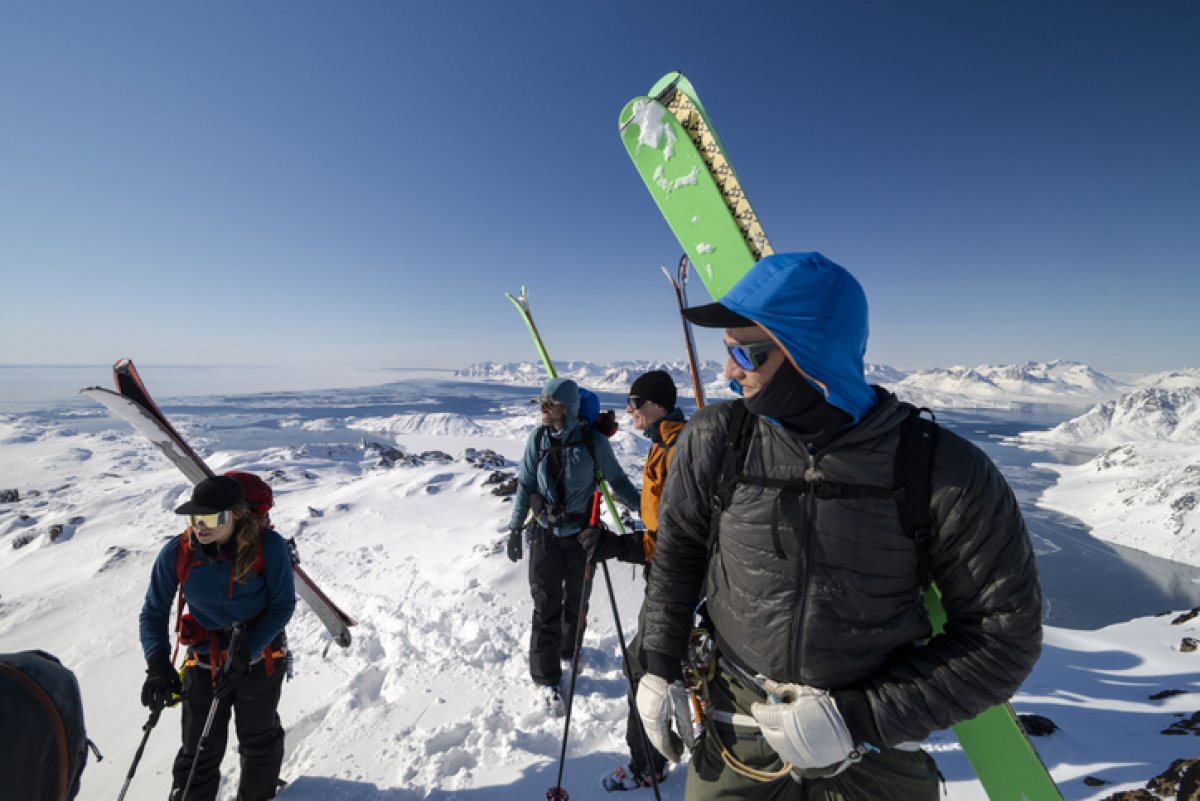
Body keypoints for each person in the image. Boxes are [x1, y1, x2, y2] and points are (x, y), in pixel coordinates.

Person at [633, 252, 1044, 800]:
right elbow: (680, 550)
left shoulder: (941, 471)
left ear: (811, 354)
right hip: (740, 726)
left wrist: (858, 719)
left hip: (871, 752)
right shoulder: (717, 440)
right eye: (726, 350)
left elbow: (1004, 638)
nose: (729, 371)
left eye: (746, 351)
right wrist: (658, 663)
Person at [139, 474, 296, 801]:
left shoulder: (268, 547)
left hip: (260, 656)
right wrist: (157, 665)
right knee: (198, 747)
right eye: (195, 517)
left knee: (258, 738)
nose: (200, 526)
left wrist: (248, 652)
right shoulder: (177, 553)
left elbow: (282, 604)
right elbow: (154, 611)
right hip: (204, 658)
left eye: (211, 517)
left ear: (237, 515)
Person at [507, 376, 641, 710]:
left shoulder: (594, 443)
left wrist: (650, 510)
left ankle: (569, 650)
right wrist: (514, 529)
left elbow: (618, 481)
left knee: (576, 601)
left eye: (548, 405)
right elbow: (524, 484)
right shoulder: (536, 441)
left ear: (566, 408)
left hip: (582, 533)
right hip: (544, 533)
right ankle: (547, 678)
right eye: (542, 404)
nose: (542, 410)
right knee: (545, 604)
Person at [581, 369, 686, 791]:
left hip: (676, 583)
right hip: (669, 579)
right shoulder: (665, 445)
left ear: (658, 405)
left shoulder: (678, 450)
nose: (630, 411)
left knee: (642, 668)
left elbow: (678, 539)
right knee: (648, 666)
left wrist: (619, 546)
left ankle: (648, 763)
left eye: (635, 403)